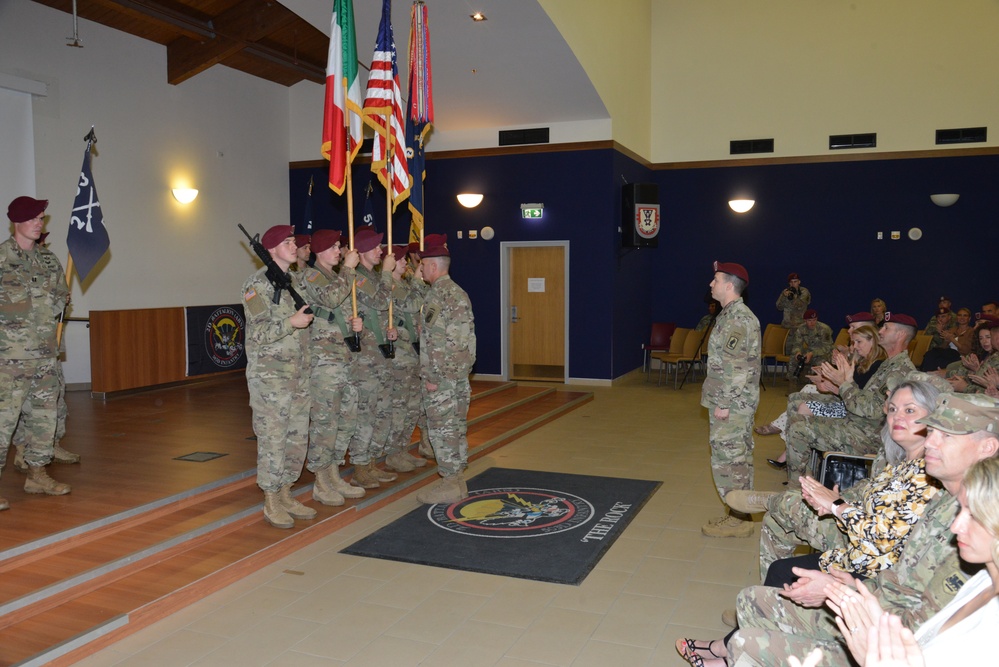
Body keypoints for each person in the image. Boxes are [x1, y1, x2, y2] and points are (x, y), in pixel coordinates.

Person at [724, 392, 999, 666]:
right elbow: (898, 577)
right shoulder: (950, 499)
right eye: (933, 430)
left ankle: (773, 502)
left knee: (746, 639)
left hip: (884, 630)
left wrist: (844, 592)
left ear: (987, 448)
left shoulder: (975, 522)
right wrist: (852, 586)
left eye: (947, 435)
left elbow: (914, 619)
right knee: (752, 598)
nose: (931, 441)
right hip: (874, 596)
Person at [680, 381, 943, 666]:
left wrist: (837, 507)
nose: (897, 417)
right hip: (855, 547)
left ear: (934, 417)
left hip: (870, 568)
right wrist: (835, 500)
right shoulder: (903, 461)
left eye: (909, 410)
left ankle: (732, 647)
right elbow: (871, 498)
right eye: (892, 409)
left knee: (784, 545)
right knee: (780, 561)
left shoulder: (928, 472)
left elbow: (881, 540)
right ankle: (745, 629)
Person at [824, 450, 999, 666]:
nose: (955, 526)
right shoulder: (982, 581)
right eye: (960, 511)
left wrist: (873, 660)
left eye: (973, 515)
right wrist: (872, 612)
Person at [782, 313, 919, 482]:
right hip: (857, 423)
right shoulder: (889, 364)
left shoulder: (900, 371)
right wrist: (841, 384)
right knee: (798, 420)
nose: (880, 331)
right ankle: (808, 480)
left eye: (886, 328)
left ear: (900, 335)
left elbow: (873, 412)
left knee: (799, 430)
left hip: (870, 435)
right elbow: (866, 399)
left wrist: (844, 383)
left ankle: (797, 491)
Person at [0, 196, 73, 510]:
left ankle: (37, 475)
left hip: (44, 357)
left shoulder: (49, 260)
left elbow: (62, 299)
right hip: (8, 360)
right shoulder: (2, 258)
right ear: (18, 220)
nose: (39, 224)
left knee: (44, 420)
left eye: (42, 219)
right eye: (34, 218)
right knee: (3, 423)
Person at [242, 225, 315, 528]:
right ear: (271, 249)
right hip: (271, 378)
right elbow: (257, 332)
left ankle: (286, 491)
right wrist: (291, 322)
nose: (294, 244)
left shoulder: (295, 280)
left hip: (299, 373)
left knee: (297, 437)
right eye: (287, 241)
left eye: (294, 240)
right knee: (273, 437)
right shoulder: (255, 285)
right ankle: (271, 498)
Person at [300, 229, 366, 506]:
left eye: (340, 246)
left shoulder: (334, 276)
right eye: (334, 246)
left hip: (344, 358)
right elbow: (329, 299)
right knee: (326, 422)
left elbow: (340, 309)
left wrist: (355, 323)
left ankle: (334, 470)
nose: (340, 251)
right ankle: (321, 480)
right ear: (320, 250)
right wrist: (349, 270)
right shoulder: (311, 275)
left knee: (346, 419)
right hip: (324, 361)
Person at [700, 261, 761, 538]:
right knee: (737, 457)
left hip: (732, 404)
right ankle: (739, 513)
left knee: (729, 459)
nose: (711, 284)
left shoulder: (738, 318)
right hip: (735, 402)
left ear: (729, 284)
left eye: (715, 279)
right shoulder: (730, 315)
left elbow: (735, 366)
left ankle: (739, 519)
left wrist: (723, 403)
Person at [415, 239, 477, 504]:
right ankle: (457, 481)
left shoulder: (438, 295)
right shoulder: (457, 292)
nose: (420, 271)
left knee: (442, 429)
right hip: (458, 375)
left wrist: (432, 377)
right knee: (455, 426)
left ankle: (450, 483)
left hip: (442, 377)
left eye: (422, 266)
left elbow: (439, 342)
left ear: (431, 266)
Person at [345, 226, 399, 489]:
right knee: (366, 412)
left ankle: (370, 463)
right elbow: (380, 301)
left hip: (380, 352)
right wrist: (388, 273)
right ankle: (359, 465)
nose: (381, 251)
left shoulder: (373, 276)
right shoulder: (359, 278)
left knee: (381, 410)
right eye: (377, 247)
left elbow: (382, 310)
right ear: (363, 250)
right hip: (365, 358)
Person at [382, 244, 429, 472]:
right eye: (400, 259)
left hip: (412, 352)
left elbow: (424, 301)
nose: (404, 262)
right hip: (399, 354)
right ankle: (393, 453)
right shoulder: (391, 286)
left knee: (412, 406)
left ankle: (402, 449)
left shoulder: (405, 283)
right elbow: (412, 304)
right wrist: (419, 280)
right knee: (399, 407)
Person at [787, 309, 833, 379]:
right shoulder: (801, 329)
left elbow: (827, 347)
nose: (812, 323)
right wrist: (798, 352)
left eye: (814, 320)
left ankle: (820, 382)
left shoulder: (824, 329)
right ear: (805, 320)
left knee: (821, 362)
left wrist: (812, 353)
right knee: (794, 357)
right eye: (809, 320)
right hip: (810, 352)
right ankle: (793, 379)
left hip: (823, 353)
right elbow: (797, 343)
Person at [777, 273, 811, 354]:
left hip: (799, 327)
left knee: (798, 353)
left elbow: (800, 305)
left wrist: (793, 296)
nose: (793, 284)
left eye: (795, 281)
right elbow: (779, 306)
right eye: (791, 282)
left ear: (799, 282)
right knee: (787, 354)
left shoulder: (804, 292)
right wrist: (784, 296)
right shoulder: (786, 292)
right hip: (787, 327)